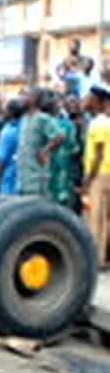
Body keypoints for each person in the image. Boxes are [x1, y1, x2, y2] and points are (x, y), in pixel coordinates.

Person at [15, 89, 66, 198]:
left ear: (34, 99)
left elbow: (60, 136)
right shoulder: (25, 118)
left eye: (27, 95)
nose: (23, 98)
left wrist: (45, 150)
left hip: (37, 178)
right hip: (24, 177)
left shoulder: (42, 118)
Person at [81, 84, 110, 265]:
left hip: (98, 175)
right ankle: (102, 257)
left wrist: (87, 181)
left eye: (89, 98)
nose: (86, 100)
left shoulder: (98, 124)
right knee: (105, 219)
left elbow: (98, 154)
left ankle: (94, 258)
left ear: (97, 101)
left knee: (93, 217)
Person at [0, 98, 24, 195]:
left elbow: (1, 161)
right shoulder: (27, 126)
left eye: (5, 110)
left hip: (10, 181)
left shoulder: (8, 132)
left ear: (10, 112)